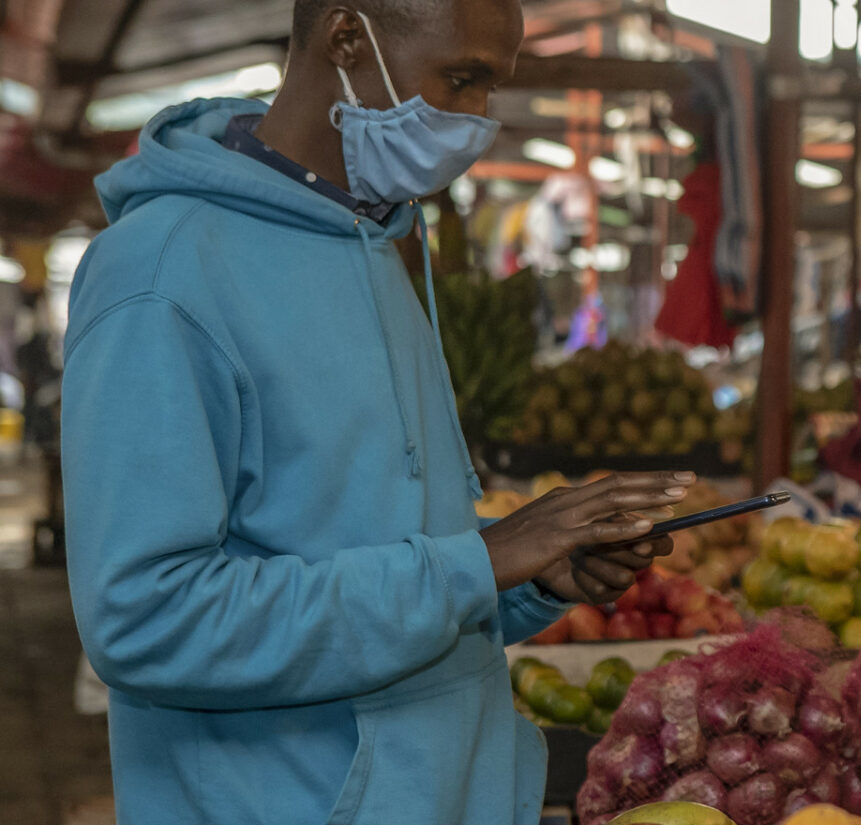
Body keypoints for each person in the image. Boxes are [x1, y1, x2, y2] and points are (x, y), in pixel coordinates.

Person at [62, 2, 692, 822]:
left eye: (490, 89)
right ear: (346, 37)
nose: (475, 121)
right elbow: (147, 620)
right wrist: (480, 560)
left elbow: (371, 557)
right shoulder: (163, 274)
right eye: (460, 79)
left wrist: (526, 582)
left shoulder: (376, 245)